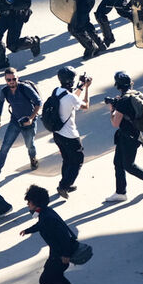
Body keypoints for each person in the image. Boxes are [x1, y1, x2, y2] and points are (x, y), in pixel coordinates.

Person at [20, 184, 85, 284]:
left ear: (36, 203)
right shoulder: (44, 212)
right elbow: (40, 225)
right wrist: (28, 230)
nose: (27, 204)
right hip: (56, 253)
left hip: (60, 255)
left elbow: (64, 237)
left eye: (29, 202)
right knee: (56, 276)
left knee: (46, 280)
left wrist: (66, 255)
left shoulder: (48, 218)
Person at [104, 71, 143, 202]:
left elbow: (115, 123)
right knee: (118, 163)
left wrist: (112, 109)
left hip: (129, 138)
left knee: (128, 165)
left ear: (117, 86)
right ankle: (120, 192)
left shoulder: (123, 102)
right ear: (130, 83)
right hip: (130, 135)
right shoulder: (134, 95)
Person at [0, 67, 41, 182]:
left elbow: (38, 102)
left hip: (28, 123)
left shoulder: (25, 88)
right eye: (8, 80)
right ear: (5, 80)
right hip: (15, 121)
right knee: (4, 147)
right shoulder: (5, 91)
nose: (11, 82)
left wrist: (31, 118)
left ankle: (33, 158)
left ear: (17, 78)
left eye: (14, 79)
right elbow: (0, 101)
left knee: (29, 145)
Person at [50, 67, 89, 199]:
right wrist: (87, 88)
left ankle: (66, 183)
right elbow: (85, 105)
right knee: (77, 161)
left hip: (57, 134)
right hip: (70, 136)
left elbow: (72, 98)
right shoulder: (70, 97)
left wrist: (81, 86)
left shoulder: (57, 91)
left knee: (67, 160)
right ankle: (64, 186)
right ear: (71, 81)